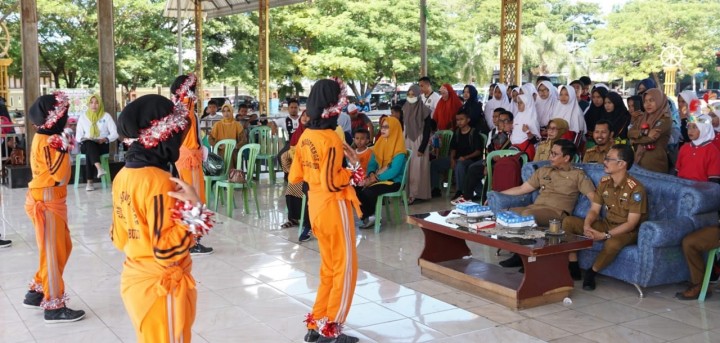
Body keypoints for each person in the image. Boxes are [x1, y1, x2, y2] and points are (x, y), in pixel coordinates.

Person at [111, 94, 213, 342]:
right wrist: (194, 208)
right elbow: (167, 251)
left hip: (136, 282)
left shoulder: (123, 175)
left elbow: (118, 237)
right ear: (164, 136)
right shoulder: (159, 182)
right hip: (161, 288)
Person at [288, 78, 362, 343]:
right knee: (345, 268)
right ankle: (332, 327)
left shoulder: (306, 135)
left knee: (329, 267)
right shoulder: (331, 137)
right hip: (334, 207)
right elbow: (333, 180)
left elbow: (295, 177)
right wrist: (354, 167)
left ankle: (316, 324)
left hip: (316, 208)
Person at [23, 92, 86, 323]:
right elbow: (59, 176)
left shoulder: (46, 137)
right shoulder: (49, 141)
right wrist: (64, 148)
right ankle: (54, 306)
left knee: (61, 248)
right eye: (63, 114)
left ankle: (36, 291)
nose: (66, 118)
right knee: (53, 253)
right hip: (47, 200)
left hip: (51, 198)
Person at [498, 139, 596, 270]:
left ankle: (527, 259)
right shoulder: (544, 170)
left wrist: (595, 215)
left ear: (566, 157)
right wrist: (498, 194)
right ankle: (519, 254)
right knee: (506, 213)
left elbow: (593, 197)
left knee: (528, 215)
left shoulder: (577, 175)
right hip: (536, 209)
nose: (550, 157)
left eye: (554, 154)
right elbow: (522, 189)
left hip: (557, 213)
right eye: (551, 153)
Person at [563, 144, 647, 289]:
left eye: (609, 159)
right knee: (568, 222)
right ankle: (573, 264)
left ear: (622, 164)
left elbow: (631, 224)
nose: (605, 162)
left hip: (627, 231)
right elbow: (595, 210)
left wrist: (604, 235)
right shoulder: (605, 182)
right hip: (607, 223)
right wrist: (587, 225)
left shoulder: (636, 189)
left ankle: (592, 272)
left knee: (612, 243)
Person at [171, 74, 213, 255]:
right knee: (193, 197)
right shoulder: (185, 104)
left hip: (189, 156)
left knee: (191, 196)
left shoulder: (182, 106)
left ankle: (189, 239)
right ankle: (192, 241)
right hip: (188, 158)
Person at [357, 117, 407, 229]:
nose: (382, 129)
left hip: (394, 181)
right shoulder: (381, 142)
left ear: (394, 129)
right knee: (356, 188)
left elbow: (394, 171)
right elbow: (372, 162)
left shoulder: (399, 148)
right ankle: (369, 215)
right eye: (382, 126)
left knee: (368, 192)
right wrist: (370, 174)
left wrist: (376, 178)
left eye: (386, 127)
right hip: (379, 177)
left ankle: (371, 217)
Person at [429, 111, 484, 203]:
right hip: (457, 158)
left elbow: (478, 151)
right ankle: (436, 189)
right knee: (435, 164)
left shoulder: (474, 132)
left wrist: (465, 157)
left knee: (460, 165)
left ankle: (460, 191)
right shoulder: (457, 132)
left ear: (468, 120)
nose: (459, 122)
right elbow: (453, 148)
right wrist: (452, 159)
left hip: (471, 159)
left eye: (462, 119)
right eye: (457, 120)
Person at [74, 94, 119, 191]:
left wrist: (105, 139)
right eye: (91, 102)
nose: (94, 105)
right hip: (86, 144)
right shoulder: (83, 117)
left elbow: (115, 133)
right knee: (90, 144)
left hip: (101, 144)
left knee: (90, 151)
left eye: (96, 102)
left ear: (100, 104)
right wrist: (84, 138)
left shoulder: (106, 116)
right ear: (88, 104)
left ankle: (89, 182)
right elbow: (78, 136)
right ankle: (99, 168)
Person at [280, 110, 312, 241]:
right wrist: (290, 172)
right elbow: (289, 154)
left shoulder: (312, 133)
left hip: (310, 170)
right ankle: (294, 219)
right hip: (299, 169)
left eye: (307, 115)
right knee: (291, 187)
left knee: (303, 190)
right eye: (303, 115)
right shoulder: (296, 134)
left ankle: (306, 222)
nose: (305, 117)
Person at [627, 89, 672, 173]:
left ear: (659, 101)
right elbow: (629, 133)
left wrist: (634, 140)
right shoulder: (642, 117)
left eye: (651, 100)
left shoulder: (665, 119)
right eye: (645, 101)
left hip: (655, 165)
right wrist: (644, 133)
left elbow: (651, 139)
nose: (648, 104)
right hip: (638, 161)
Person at [403, 84, 433, 204]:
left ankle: (416, 194)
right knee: (408, 168)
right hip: (407, 140)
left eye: (413, 95)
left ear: (418, 95)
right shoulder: (405, 108)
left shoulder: (424, 110)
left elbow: (427, 130)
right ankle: (408, 193)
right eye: (409, 94)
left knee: (418, 168)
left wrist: (422, 147)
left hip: (419, 141)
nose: (411, 97)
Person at [675, 117, 720, 183]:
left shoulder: (712, 151)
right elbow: (677, 171)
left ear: (704, 129)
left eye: (695, 127)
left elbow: (713, 180)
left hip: (700, 190)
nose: (690, 130)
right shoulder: (684, 148)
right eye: (689, 127)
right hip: (681, 188)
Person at [210, 104, 247, 168]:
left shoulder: (237, 125)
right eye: (224, 111)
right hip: (220, 152)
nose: (226, 113)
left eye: (228, 111)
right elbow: (210, 139)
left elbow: (243, 139)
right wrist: (218, 146)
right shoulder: (217, 125)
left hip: (234, 152)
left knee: (232, 171)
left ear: (232, 111)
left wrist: (236, 146)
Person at [511, 93, 541, 160]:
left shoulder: (532, 120)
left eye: (521, 103)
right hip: (514, 148)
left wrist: (527, 131)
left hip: (527, 151)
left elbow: (536, 141)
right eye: (518, 103)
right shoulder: (517, 117)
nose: (518, 105)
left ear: (527, 104)